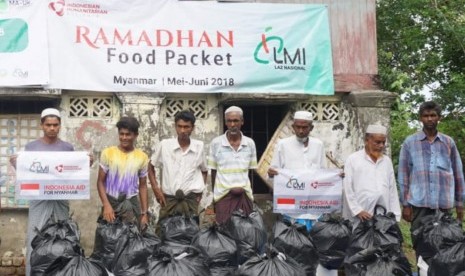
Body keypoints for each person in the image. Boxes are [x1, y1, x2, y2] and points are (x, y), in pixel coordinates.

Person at [9, 108, 76, 276]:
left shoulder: (67, 148)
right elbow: (27, 174)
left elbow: (73, 173)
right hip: (38, 198)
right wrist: (17, 165)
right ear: (42, 126)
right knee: (35, 235)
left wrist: (86, 164)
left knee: (63, 235)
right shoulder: (31, 147)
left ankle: (62, 272)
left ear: (60, 126)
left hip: (60, 198)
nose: (52, 128)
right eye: (48, 125)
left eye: (55, 125)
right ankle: (34, 272)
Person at [398, 101, 464, 248]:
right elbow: (403, 175)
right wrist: (406, 205)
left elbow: (458, 174)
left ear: (439, 117)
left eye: (433, 115)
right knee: (421, 245)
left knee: (446, 248)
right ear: (420, 118)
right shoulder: (410, 143)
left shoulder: (448, 142)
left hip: (444, 206)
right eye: (426, 115)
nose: (429, 119)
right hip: (419, 205)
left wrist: (460, 205)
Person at [267, 110, 326, 230]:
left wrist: (335, 178)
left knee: (314, 241)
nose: (300, 131)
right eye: (298, 127)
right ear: (293, 127)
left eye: (304, 127)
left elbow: (323, 172)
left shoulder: (318, 145)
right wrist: (272, 174)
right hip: (291, 206)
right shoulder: (283, 145)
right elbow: (274, 173)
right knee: (294, 241)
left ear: (311, 128)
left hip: (313, 205)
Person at [148, 110, 208, 222]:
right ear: (174, 126)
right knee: (164, 233)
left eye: (186, 127)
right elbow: (151, 167)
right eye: (179, 126)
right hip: (168, 200)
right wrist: (156, 189)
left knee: (190, 234)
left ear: (193, 128)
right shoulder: (165, 145)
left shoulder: (199, 146)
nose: (182, 130)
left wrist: (200, 191)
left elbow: (204, 170)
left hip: (190, 200)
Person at [208, 106, 258, 224]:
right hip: (223, 196)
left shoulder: (250, 143)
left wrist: (250, 195)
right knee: (224, 232)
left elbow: (251, 172)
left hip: (244, 197)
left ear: (242, 121)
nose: (232, 124)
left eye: (235, 121)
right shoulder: (216, 143)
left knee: (245, 233)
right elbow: (214, 171)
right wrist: (215, 197)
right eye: (229, 121)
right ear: (225, 122)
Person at [96, 116, 149, 227]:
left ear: (135, 135)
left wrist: (144, 213)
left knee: (132, 240)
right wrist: (106, 205)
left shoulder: (142, 157)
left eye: (128, 134)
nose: (124, 137)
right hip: (111, 204)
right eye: (121, 134)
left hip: (131, 204)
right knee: (110, 240)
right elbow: (100, 182)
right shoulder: (108, 153)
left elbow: (143, 186)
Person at [342, 124, 401, 223]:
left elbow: (392, 190)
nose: (381, 145)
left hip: (383, 216)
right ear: (367, 140)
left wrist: (395, 215)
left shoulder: (386, 161)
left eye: (383, 142)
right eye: (377, 142)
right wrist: (358, 210)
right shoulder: (353, 159)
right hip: (360, 216)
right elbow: (347, 188)